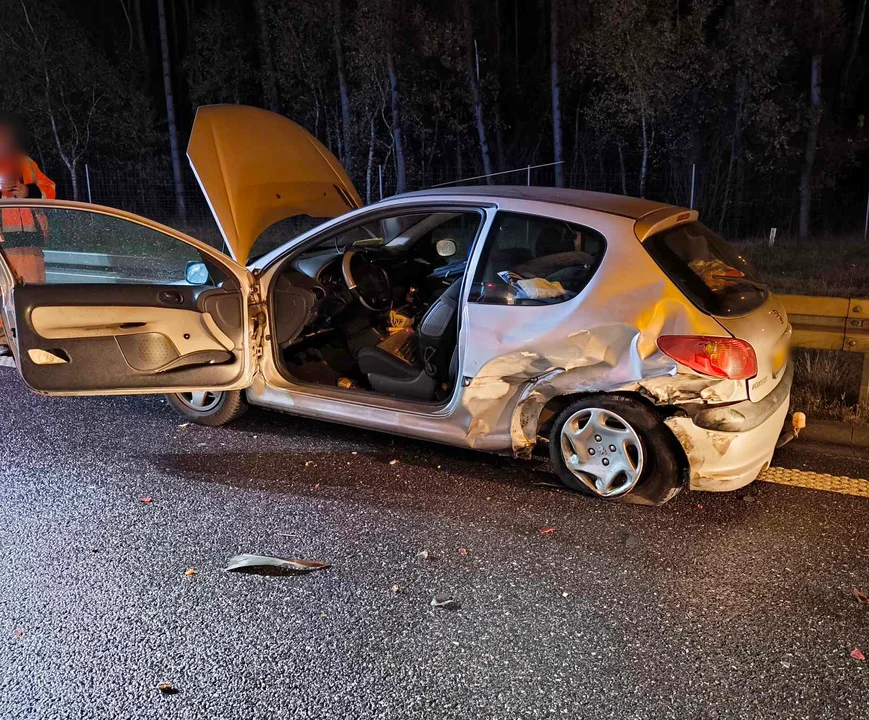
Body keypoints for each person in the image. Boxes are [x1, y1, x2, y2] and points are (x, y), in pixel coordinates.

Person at [0, 115, 56, 283]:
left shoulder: (27, 163)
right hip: (3, 249)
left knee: (34, 293)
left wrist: (28, 191)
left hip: (31, 244)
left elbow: (50, 190)